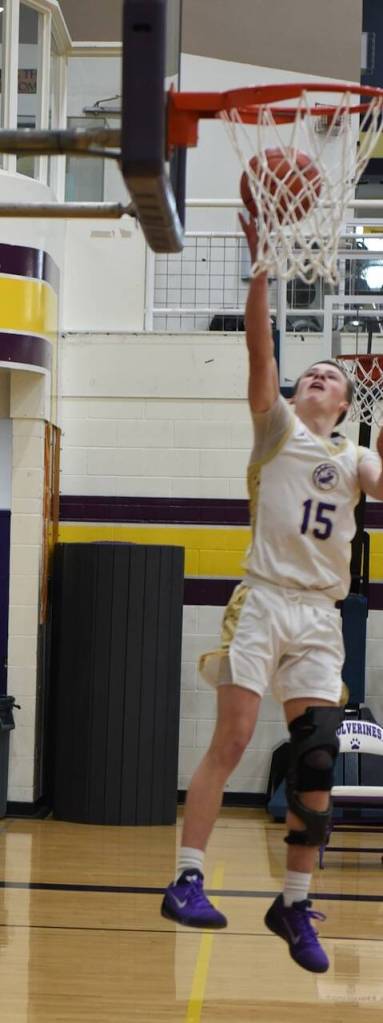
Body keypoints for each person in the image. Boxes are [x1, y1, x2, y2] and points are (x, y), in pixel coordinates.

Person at [161, 214, 383, 973]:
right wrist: (261, 267)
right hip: (262, 599)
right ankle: (187, 877)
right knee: (232, 737)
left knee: (316, 757)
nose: (316, 377)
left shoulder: (354, 456)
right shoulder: (277, 428)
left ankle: (292, 902)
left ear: (347, 402)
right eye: (309, 372)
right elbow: (260, 350)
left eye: (331, 376)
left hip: (320, 614)